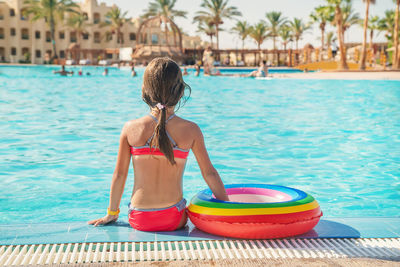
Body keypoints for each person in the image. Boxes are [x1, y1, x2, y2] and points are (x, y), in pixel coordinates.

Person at [88, 57, 229, 231]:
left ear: (144, 91)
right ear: (180, 92)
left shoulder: (130, 128)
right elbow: (210, 173)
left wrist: (112, 213)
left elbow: (119, 175)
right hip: (173, 218)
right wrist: (228, 208)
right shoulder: (191, 130)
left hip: (139, 218)